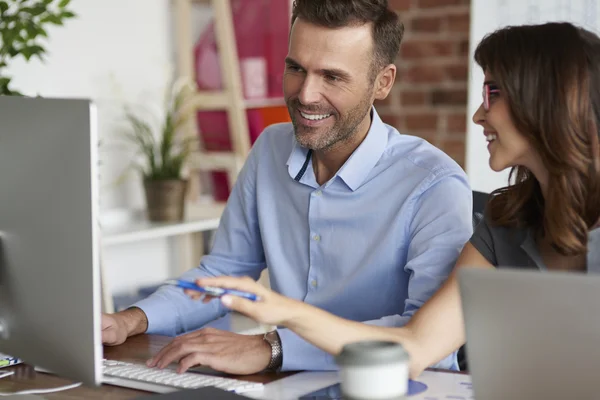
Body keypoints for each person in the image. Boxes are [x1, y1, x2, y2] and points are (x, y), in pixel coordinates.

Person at [189, 21, 600, 378]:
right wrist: (286, 315)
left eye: (494, 94)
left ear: (547, 101)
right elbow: (416, 348)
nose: (479, 114)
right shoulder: (504, 223)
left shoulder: (438, 182)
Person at [101, 0, 472, 376]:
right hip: (284, 384)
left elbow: (431, 346)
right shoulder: (269, 150)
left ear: (382, 82)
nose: (306, 94)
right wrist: (133, 319)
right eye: (296, 68)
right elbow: (226, 270)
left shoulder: (434, 185)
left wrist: (273, 348)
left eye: (332, 76)